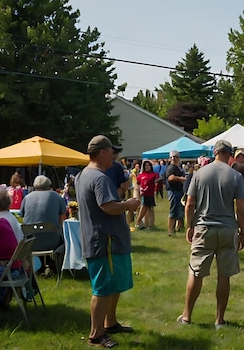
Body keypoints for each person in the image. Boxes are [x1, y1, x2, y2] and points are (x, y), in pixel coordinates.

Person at [75, 135, 140, 348]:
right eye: (112, 151)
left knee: (112, 285)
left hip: (102, 239)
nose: (114, 155)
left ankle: (110, 323)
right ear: (103, 152)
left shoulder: (83, 175)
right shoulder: (99, 178)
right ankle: (96, 334)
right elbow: (108, 206)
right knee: (102, 288)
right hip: (105, 241)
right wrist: (128, 204)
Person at [176, 140, 244, 329]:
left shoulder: (199, 174)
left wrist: (189, 226)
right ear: (229, 154)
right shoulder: (236, 176)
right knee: (224, 276)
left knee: (196, 272)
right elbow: (240, 207)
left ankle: (187, 316)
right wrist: (243, 232)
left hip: (204, 228)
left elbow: (190, 203)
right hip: (227, 229)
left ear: (214, 152)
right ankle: (219, 320)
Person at [166, 150, 186, 236]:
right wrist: (183, 179)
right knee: (173, 211)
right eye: (172, 157)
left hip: (179, 191)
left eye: (175, 157)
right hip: (174, 192)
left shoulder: (178, 168)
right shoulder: (171, 168)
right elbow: (171, 178)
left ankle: (179, 227)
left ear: (179, 158)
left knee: (179, 211)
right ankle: (170, 231)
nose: (173, 158)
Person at [136, 160, 159, 229]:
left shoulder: (154, 174)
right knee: (143, 208)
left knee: (151, 209)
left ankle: (151, 225)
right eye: (145, 165)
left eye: (148, 165)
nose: (147, 167)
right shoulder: (141, 175)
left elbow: (157, 181)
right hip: (144, 194)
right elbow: (138, 184)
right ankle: (138, 222)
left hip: (151, 194)